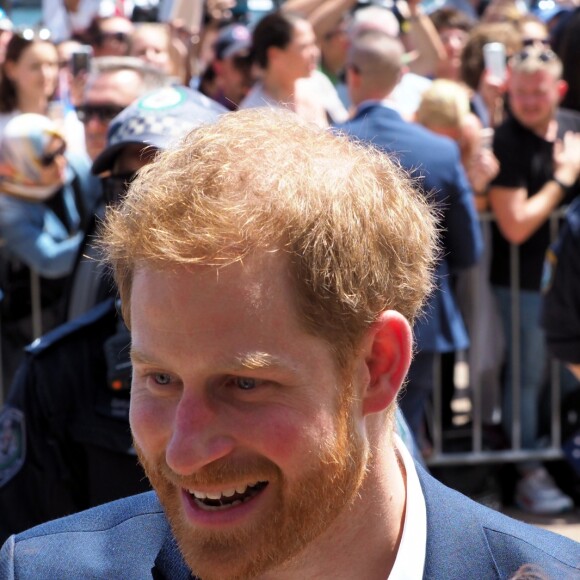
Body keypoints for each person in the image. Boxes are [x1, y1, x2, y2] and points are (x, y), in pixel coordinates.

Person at [1, 107, 578, 579]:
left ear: (377, 364)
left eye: (245, 384)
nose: (183, 452)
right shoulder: (45, 571)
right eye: (160, 379)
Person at [0, 85, 226, 544]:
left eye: (172, 184)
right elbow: (28, 539)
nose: (150, 210)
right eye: (128, 187)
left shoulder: (304, 335)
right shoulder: (60, 370)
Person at [338, 31, 483, 447]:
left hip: (344, 314)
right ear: (402, 77)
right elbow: (468, 245)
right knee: (404, 437)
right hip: (425, 313)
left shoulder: (328, 143)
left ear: (352, 75)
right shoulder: (439, 150)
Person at [489, 45, 580, 515]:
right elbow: (516, 223)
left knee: (566, 380)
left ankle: (559, 458)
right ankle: (526, 469)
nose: (528, 101)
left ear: (558, 90)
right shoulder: (507, 141)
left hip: (570, 283)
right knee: (527, 378)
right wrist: (564, 179)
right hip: (522, 284)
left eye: (537, 92)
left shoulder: (572, 126)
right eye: (519, 92)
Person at [0, 113, 95, 386]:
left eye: (62, 150)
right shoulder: (9, 203)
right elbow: (49, 260)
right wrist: (99, 239)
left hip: (70, 300)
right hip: (30, 319)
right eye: (47, 158)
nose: (60, 162)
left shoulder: (71, 169)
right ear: (21, 161)